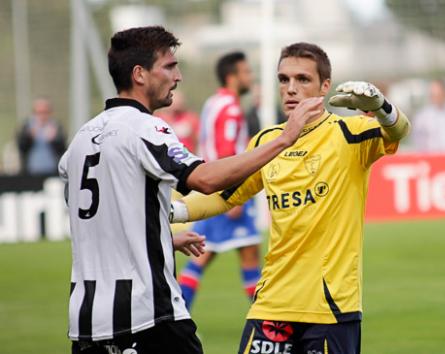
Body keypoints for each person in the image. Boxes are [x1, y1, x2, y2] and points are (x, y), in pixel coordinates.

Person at [58, 26, 322, 354]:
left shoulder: (80, 139)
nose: (178, 76)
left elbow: (101, 219)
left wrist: (161, 238)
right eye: (169, 66)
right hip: (147, 318)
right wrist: (285, 138)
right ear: (140, 75)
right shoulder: (144, 128)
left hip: (85, 323)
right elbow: (206, 179)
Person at [170, 42, 411, 353]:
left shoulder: (350, 133)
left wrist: (381, 106)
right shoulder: (268, 141)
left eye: (303, 79)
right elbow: (223, 197)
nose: (291, 89)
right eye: (284, 80)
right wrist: (167, 212)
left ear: (325, 86)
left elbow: (399, 132)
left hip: (330, 309)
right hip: (271, 305)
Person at [177, 51, 262, 309]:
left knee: (209, 254)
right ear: (232, 76)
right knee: (243, 255)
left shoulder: (213, 102)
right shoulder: (232, 109)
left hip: (211, 189)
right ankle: (269, 323)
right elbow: (226, 152)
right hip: (227, 191)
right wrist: (234, 196)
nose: (251, 77)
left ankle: (176, 315)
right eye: (246, 72)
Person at [17, 97, 67, 175]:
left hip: (52, 172)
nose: (42, 116)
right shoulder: (27, 126)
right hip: (31, 172)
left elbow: (63, 149)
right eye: (39, 112)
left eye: (45, 112)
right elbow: (21, 147)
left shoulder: (56, 126)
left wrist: (54, 140)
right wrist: (29, 137)